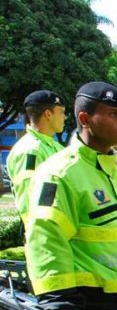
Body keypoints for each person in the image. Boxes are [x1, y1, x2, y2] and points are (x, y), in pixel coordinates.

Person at [24, 82, 117, 310]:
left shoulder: (111, 170)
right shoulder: (61, 173)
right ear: (85, 119)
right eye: (113, 114)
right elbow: (47, 247)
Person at [6, 90, 66, 224]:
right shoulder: (30, 150)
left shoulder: (56, 147)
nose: (65, 117)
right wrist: (38, 232)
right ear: (48, 114)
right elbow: (28, 196)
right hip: (44, 230)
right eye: (61, 112)